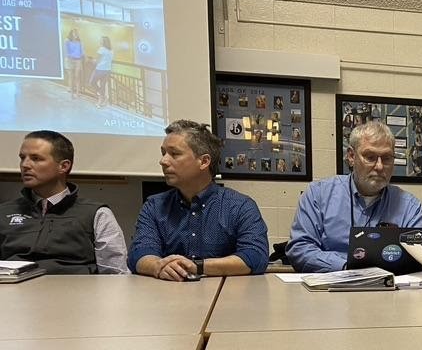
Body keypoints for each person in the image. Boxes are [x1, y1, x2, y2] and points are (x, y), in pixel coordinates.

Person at [128, 120, 269, 280]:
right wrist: (158, 266)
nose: (163, 161)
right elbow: (138, 254)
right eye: (163, 153)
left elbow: (256, 257)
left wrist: (198, 267)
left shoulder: (239, 206)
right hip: (168, 296)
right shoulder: (154, 206)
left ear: (204, 161)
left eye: (174, 154)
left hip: (225, 297)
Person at [286, 121, 422, 272]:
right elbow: (300, 249)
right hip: (331, 288)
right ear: (351, 157)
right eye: (370, 157)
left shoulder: (410, 207)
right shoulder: (319, 195)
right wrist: (348, 267)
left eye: (386, 158)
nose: (379, 166)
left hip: (390, 290)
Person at [0, 130, 128, 274]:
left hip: (76, 292)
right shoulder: (4, 213)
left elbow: (116, 275)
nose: (25, 165)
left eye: (36, 158)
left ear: (64, 166)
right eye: (22, 158)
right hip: (14, 292)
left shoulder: (96, 214)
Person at [91, 36, 113, 107]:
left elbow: (97, 61)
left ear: (103, 42)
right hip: (108, 70)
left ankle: (102, 97)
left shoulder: (101, 49)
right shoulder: (111, 50)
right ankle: (102, 100)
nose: (100, 41)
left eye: (101, 40)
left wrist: (92, 61)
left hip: (100, 69)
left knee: (92, 82)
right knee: (103, 85)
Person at [64, 28, 83, 99]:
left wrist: (83, 58)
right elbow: (66, 51)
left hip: (78, 60)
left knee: (77, 76)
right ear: (71, 33)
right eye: (75, 33)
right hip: (69, 60)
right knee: (71, 77)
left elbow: (81, 51)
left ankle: (77, 93)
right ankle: (71, 94)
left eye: (77, 33)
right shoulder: (67, 41)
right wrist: (69, 58)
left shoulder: (79, 42)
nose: (76, 34)